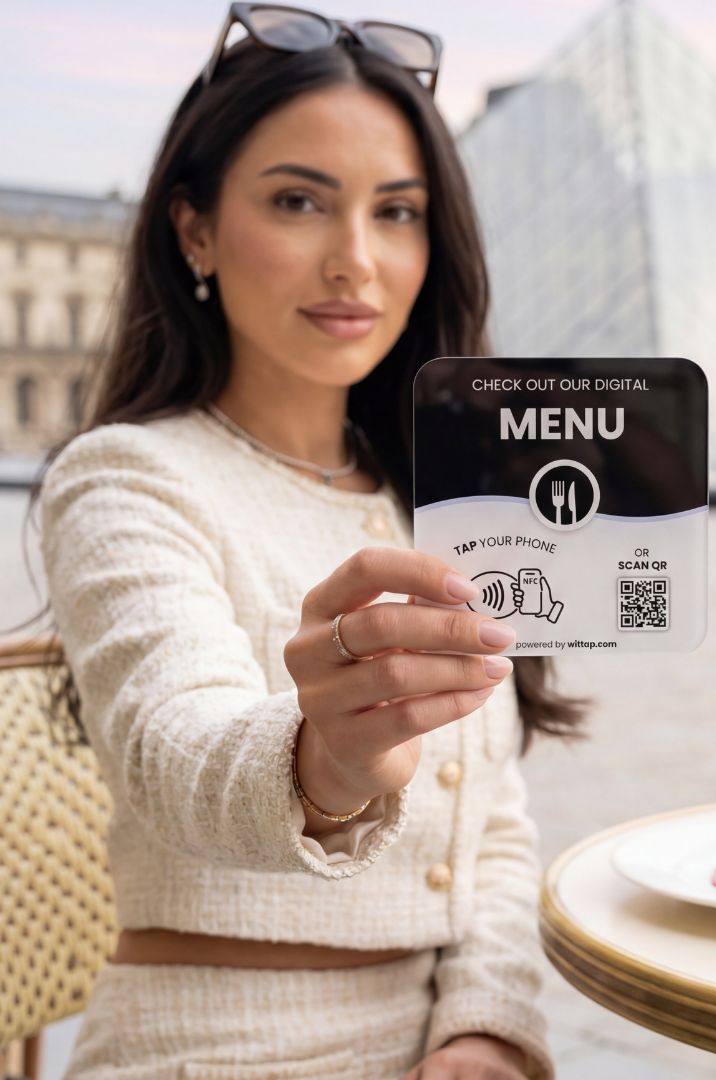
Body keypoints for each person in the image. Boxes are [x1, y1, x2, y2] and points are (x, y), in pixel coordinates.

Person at [17, 7, 588, 1077]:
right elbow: (171, 748)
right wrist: (324, 757)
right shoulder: (128, 479)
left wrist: (489, 1029)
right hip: (212, 1048)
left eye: (398, 212)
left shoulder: (445, 495)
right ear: (193, 230)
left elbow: (497, 829)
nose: (356, 261)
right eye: (298, 202)